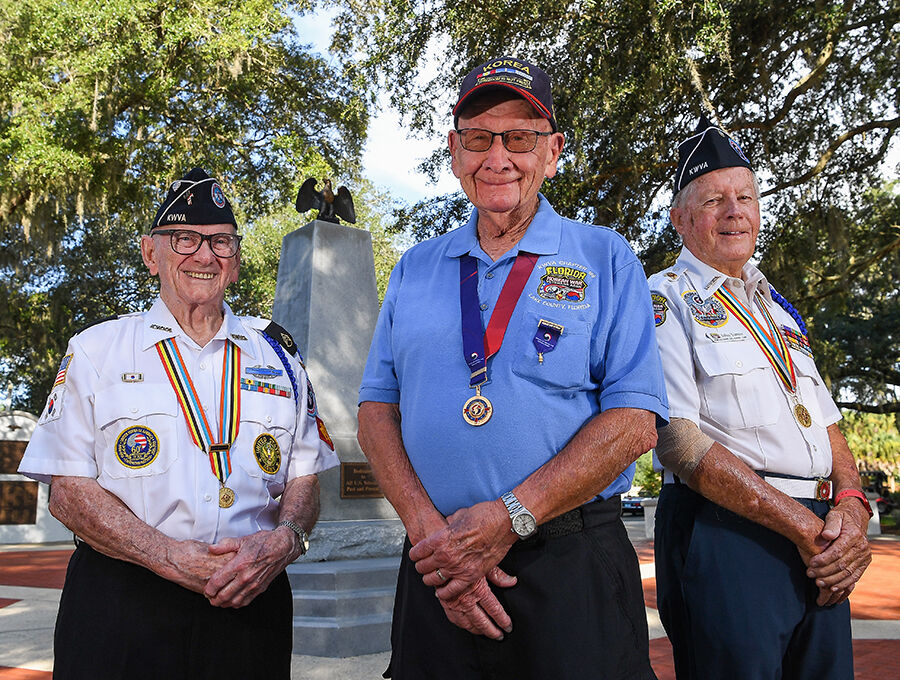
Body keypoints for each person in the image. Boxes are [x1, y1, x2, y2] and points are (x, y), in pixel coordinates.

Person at [357, 56, 669, 680]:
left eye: (520, 138)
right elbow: (374, 411)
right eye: (477, 138)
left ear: (551, 152)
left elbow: (636, 421)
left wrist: (509, 516)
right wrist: (431, 537)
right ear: (454, 151)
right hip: (437, 567)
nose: (497, 156)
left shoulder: (605, 257)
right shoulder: (415, 268)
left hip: (568, 564)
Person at [18, 168, 339, 680]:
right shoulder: (97, 350)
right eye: (185, 239)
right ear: (151, 255)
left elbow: (305, 478)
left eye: (221, 242)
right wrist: (167, 555)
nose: (205, 255)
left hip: (250, 601)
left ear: (235, 263)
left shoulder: (279, 359)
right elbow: (68, 490)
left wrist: (286, 538)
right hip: (124, 600)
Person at [649, 116, 873, 679]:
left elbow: (825, 422)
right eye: (714, 200)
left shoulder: (775, 308)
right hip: (729, 532)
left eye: (745, 197)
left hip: (818, 535)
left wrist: (849, 506)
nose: (734, 212)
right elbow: (676, 440)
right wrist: (805, 529)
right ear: (680, 219)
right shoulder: (662, 298)